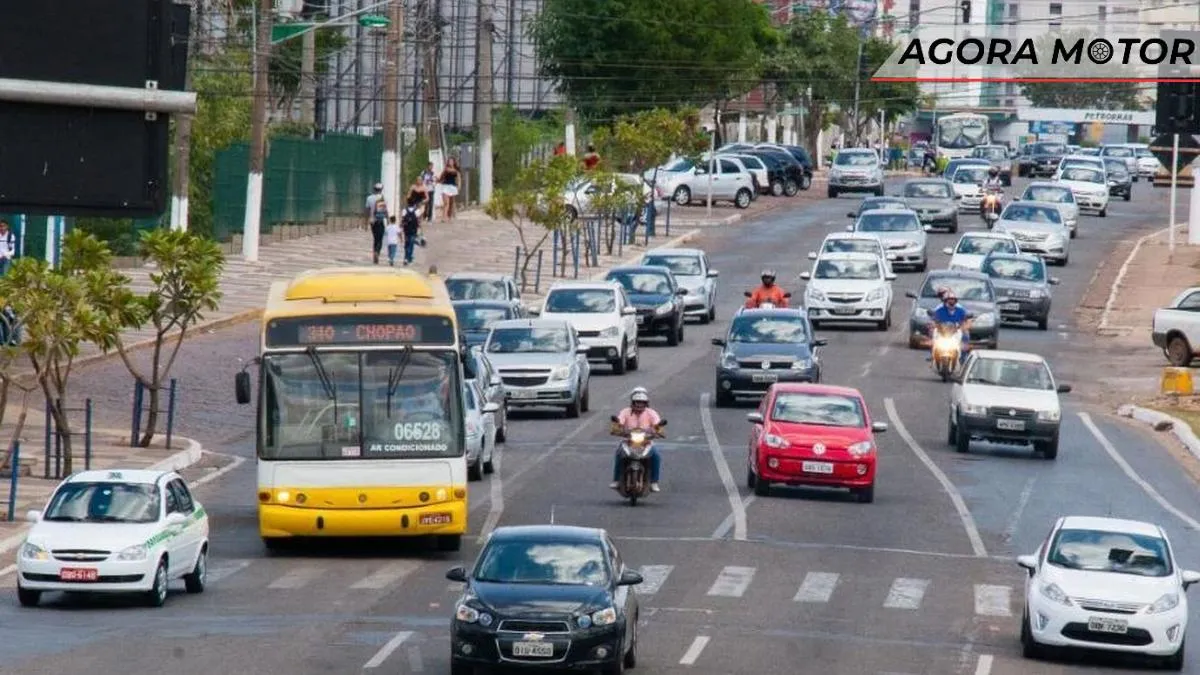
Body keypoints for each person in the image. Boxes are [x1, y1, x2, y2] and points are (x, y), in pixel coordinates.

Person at [610, 387, 662, 492]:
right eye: (637, 402)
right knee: (619, 454)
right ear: (632, 402)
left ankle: (654, 482)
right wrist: (617, 427)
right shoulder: (625, 412)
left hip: (646, 442)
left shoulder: (651, 413)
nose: (639, 405)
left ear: (646, 403)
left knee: (656, 456)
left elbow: (657, 424)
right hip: (628, 441)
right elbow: (619, 422)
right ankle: (616, 480)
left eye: (642, 402)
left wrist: (658, 431)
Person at [364, 183, 389, 264]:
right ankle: (377, 252)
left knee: (375, 238)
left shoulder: (369, 198)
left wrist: (366, 222)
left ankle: (375, 252)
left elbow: (367, 211)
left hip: (372, 221)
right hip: (380, 220)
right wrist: (388, 220)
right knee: (380, 239)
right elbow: (385, 211)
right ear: (381, 189)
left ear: (374, 189)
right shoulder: (383, 198)